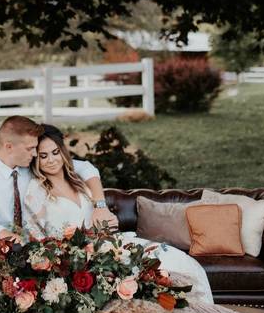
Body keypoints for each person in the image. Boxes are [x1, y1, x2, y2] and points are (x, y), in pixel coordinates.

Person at [23, 124, 213, 303]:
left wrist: (104, 214)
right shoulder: (36, 191)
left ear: (63, 152)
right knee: (152, 275)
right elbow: (41, 237)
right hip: (83, 257)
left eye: (56, 152)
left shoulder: (78, 178)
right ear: (35, 159)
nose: (51, 160)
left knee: (181, 262)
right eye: (43, 156)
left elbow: (88, 167)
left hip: (112, 242)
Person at [0, 116, 116, 244]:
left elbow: (85, 168)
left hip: (35, 247)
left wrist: (101, 206)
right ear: (9, 147)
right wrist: (20, 244)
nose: (36, 154)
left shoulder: (31, 165)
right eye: (30, 148)